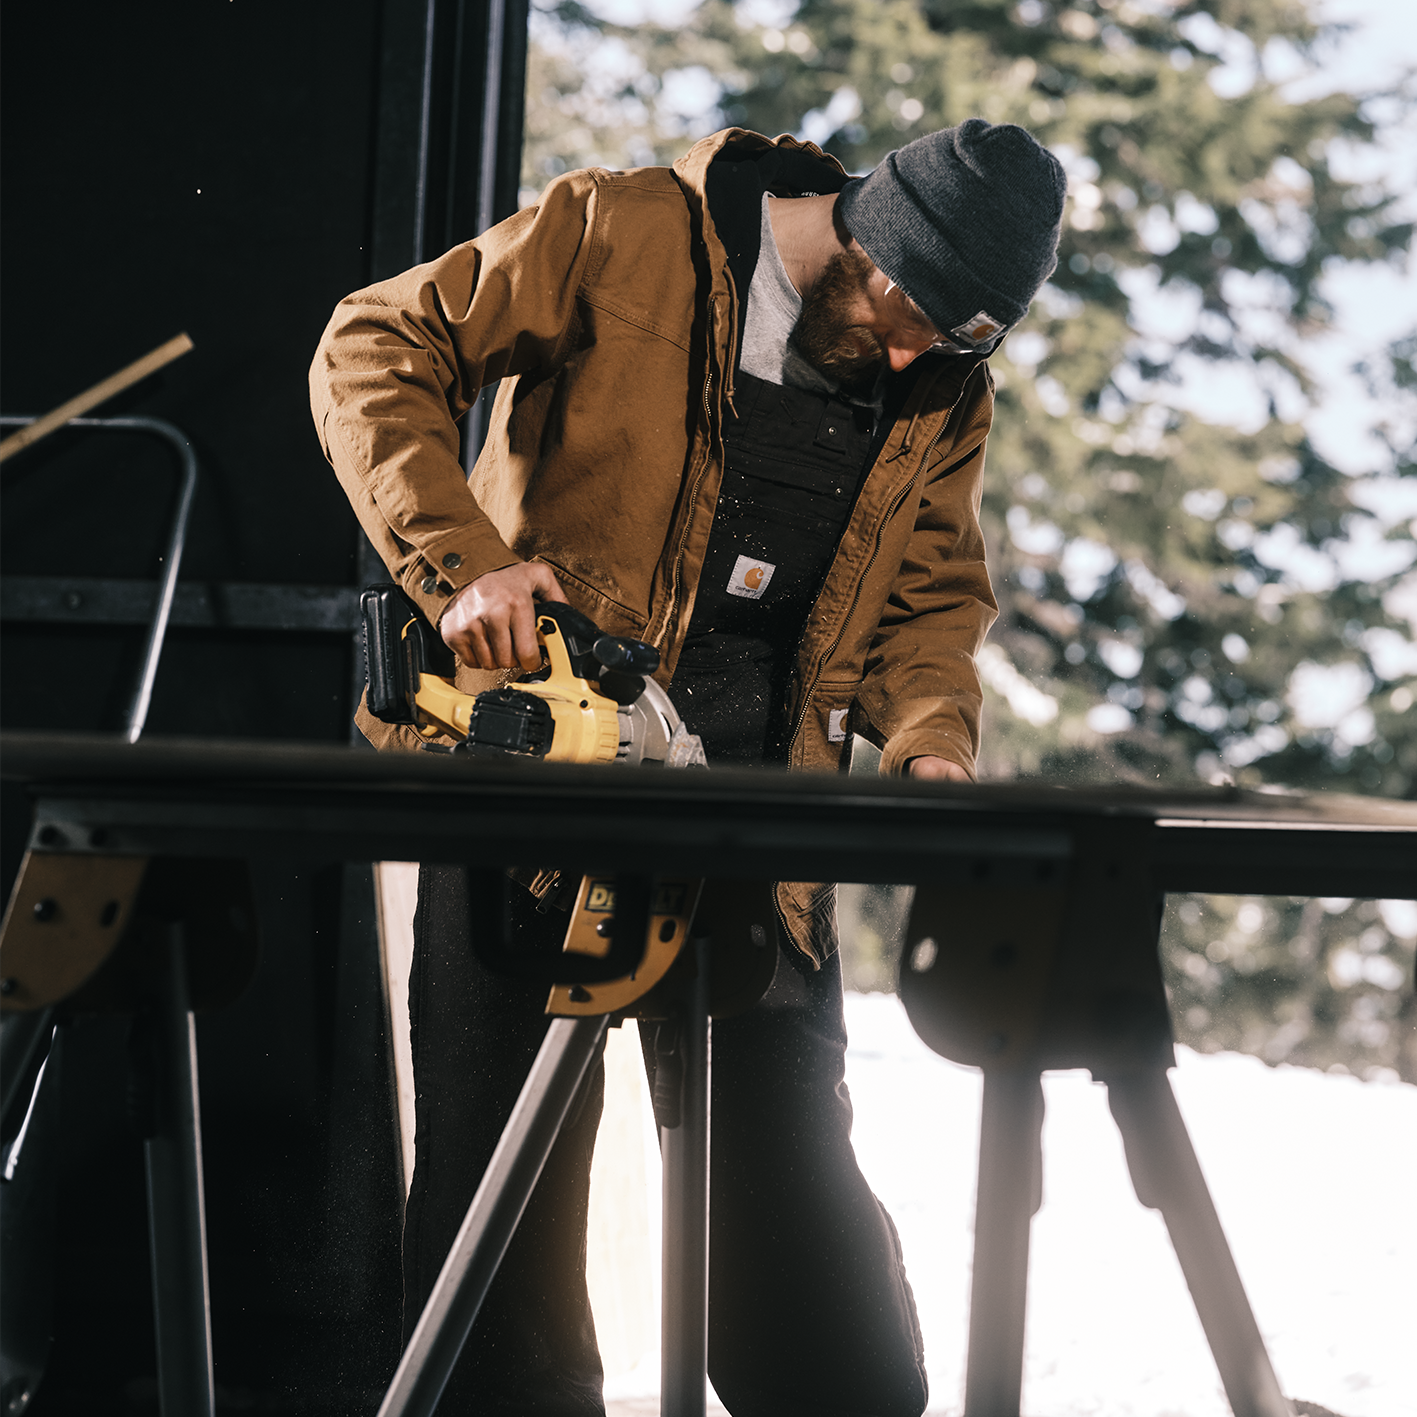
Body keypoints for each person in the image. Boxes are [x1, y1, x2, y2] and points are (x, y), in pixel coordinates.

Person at [311, 119, 1065, 1416]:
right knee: (500, 1251)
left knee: (809, 1284)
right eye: (907, 316)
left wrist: (933, 742)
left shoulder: (941, 384)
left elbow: (933, 601)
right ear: (866, 232)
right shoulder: (627, 232)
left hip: (760, 832)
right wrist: (460, 564)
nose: (908, 356)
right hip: (542, 782)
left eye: (952, 342)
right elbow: (374, 343)